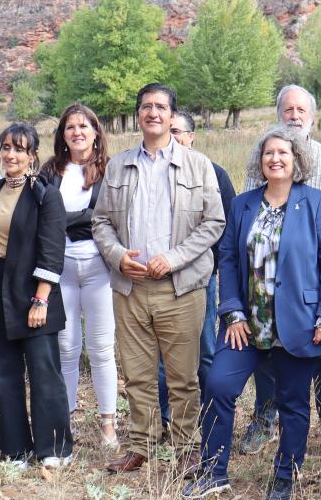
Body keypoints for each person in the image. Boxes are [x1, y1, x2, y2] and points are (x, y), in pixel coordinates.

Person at [184, 126, 321, 500]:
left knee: (292, 402)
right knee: (218, 385)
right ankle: (213, 471)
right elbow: (228, 260)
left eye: (283, 153)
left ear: (296, 160)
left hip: (299, 321)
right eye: (268, 153)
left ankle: (286, 474)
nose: (275, 159)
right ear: (260, 161)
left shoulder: (316, 202)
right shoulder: (243, 204)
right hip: (247, 323)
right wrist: (232, 311)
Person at [92, 83, 225, 476]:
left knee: (183, 376)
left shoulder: (197, 165)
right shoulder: (118, 166)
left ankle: (186, 447)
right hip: (130, 289)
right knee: (137, 374)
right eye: (146, 106)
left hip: (180, 289)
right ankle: (141, 444)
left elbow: (213, 222)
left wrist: (174, 258)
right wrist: (118, 257)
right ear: (139, 115)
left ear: (171, 116)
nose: (153, 113)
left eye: (161, 107)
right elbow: (100, 222)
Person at [239, 84, 321, 456]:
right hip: (265, 280)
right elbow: (249, 210)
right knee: (265, 351)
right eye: (288, 110)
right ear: (278, 114)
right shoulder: (265, 154)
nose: (294, 115)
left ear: (312, 117)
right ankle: (264, 419)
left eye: (301, 110)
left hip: (309, 281)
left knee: (320, 353)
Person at [0, 124, 72, 468]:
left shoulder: (45, 195)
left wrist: (41, 299)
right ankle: (14, 449)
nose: (11, 155)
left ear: (33, 155)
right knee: (4, 371)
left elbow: (52, 251)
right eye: (5, 147)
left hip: (33, 290)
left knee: (43, 371)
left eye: (19, 149)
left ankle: (55, 448)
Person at [39, 104, 117, 448]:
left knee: (101, 348)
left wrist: (65, 219)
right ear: (62, 134)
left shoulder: (111, 171)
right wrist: (81, 217)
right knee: (67, 347)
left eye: (84, 126)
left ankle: (108, 425)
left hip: (99, 267)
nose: (77, 132)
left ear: (96, 131)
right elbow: (42, 216)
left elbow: (107, 217)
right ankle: (65, 421)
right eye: (70, 127)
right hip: (61, 269)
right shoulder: (51, 171)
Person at [157, 110, 236, 423]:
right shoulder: (152, 173)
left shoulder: (213, 173)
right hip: (158, 277)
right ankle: (165, 418)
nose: (173, 136)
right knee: (163, 354)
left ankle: (209, 416)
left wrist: (210, 266)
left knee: (204, 348)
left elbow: (225, 228)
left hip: (200, 277)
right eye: (168, 130)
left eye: (178, 131)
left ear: (191, 137)